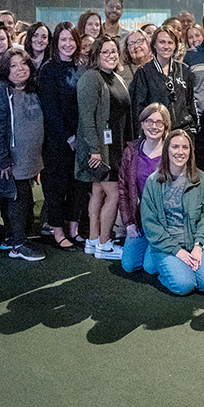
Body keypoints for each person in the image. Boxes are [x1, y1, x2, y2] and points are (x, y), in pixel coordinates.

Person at [139, 129, 204, 295]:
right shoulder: (154, 182)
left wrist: (198, 246)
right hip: (167, 246)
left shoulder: (201, 179)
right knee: (184, 286)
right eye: (175, 147)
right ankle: (159, 265)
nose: (180, 152)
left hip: (194, 243)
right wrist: (177, 251)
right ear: (167, 150)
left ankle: (179, 267)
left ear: (191, 151)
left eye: (185, 147)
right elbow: (150, 223)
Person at [0, 51, 46, 262]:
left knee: (22, 200)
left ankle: (12, 238)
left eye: (24, 64)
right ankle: (18, 244)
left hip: (29, 158)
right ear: (4, 70)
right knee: (18, 200)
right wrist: (1, 159)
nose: (20, 69)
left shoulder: (32, 88)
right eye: (14, 66)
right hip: (10, 160)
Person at [76, 35, 133, 260]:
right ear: (96, 55)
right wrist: (94, 150)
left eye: (114, 51)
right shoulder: (91, 78)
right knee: (114, 194)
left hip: (115, 145)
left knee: (98, 192)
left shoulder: (116, 77)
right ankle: (105, 243)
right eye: (105, 52)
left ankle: (92, 240)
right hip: (100, 148)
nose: (111, 55)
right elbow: (86, 117)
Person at [38, 23, 87, 249]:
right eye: (63, 40)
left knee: (77, 185)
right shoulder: (48, 69)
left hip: (81, 138)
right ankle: (57, 231)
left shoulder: (82, 67)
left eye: (72, 40)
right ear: (56, 43)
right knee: (56, 187)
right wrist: (68, 137)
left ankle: (73, 229)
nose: (68, 44)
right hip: (57, 141)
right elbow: (51, 109)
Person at [118, 104, 171, 273]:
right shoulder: (131, 152)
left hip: (165, 223)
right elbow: (123, 189)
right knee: (129, 265)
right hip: (140, 220)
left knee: (150, 266)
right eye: (149, 121)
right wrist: (129, 223)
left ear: (166, 127)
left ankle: (161, 247)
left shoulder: (172, 152)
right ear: (141, 123)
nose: (153, 126)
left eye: (159, 123)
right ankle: (150, 246)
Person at [131, 26, 198, 141]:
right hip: (155, 135)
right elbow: (139, 109)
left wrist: (192, 129)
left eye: (170, 43)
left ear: (175, 46)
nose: (166, 46)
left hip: (182, 134)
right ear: (154, 45)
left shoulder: (184, 70)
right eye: (162, 42)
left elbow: (191, 104)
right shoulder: (144, 72)